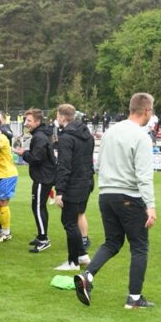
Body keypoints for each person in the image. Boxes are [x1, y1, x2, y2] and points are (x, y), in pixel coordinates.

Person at [73, 92, 157, 309]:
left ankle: (88, 276)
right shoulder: (141, 136)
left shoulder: (110, 132)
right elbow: (144, 175)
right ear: (147, 110)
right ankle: (135, 298)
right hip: (130, 196)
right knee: (139, 246)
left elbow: (98, 165)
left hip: (106, 195)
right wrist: (150, 205)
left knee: (112, 242)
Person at [53, 104, 94, 270]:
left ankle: (73, 261)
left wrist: (59, 191)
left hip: (73, 184)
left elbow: (64, 166)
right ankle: (82, 255)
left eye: (57, 115)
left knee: (69, 222)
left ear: (63, 117)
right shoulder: (87, 135)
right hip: (86, 182)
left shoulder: (66, 138)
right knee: (75, 219)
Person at [14, 108, 56, 253]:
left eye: (29, 121)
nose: (26, 123)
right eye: (26, 120)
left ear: (38, 122)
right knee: (38, 207)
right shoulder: (41, 134)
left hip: (43, 177)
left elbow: (37, 158)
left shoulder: (40, 137)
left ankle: (43, 239)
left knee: (38, 207)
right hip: (43, 176)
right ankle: (41, 235)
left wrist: (24, 153)